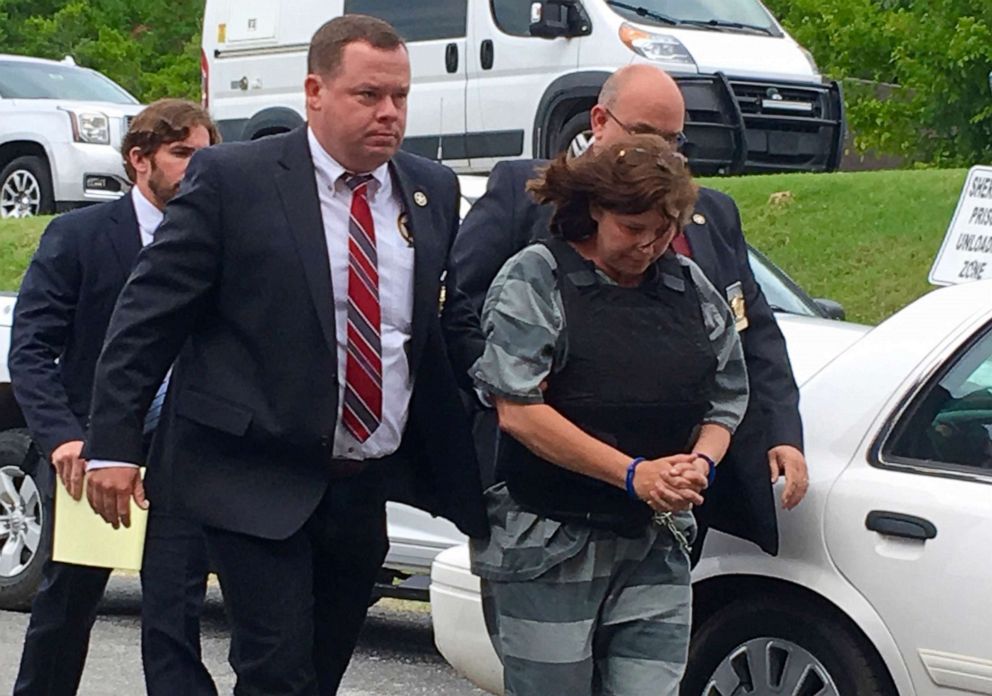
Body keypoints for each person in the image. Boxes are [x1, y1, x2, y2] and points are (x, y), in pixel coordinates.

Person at [80, 15, 488, 695]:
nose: (389, 114)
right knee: (276, 670)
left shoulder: (430, 190)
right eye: (367, 96)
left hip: (361, 482)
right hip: (253, 473)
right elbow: (146, 319)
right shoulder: (234, 180)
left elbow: (431, 327)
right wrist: (114, 445)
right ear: (315, 92)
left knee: (317, 673)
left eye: (401, 97)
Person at [444, 64, 808, 560]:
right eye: (643, 133)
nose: (659, 151)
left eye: (672, 140)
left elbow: (752, 332)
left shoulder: (713, 213)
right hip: (543, 488)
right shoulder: (521, 192)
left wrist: (783, 431)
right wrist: (507, 385)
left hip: (668, 493)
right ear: (599, 120)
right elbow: (462, 306)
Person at [470, 134, 748, 695]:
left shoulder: (688, 285)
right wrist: (633, 473)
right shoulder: (538, 277)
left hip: (654, 541)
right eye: (633, 230)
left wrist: (700, 463)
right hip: (550, 539)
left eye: (663, 231)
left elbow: (728, 393)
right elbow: (518, 410)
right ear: (597, 211)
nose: (648, 246)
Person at [8, 99, 219, 696]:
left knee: (174, 608)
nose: (196, 169)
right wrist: (64, 438)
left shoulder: (218, 243)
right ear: (139, 159)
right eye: (181, 154)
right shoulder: (78, 237)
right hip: (90, 448)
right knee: (67, 603)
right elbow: (30, 350)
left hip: (185, 453)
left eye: (207, 156)